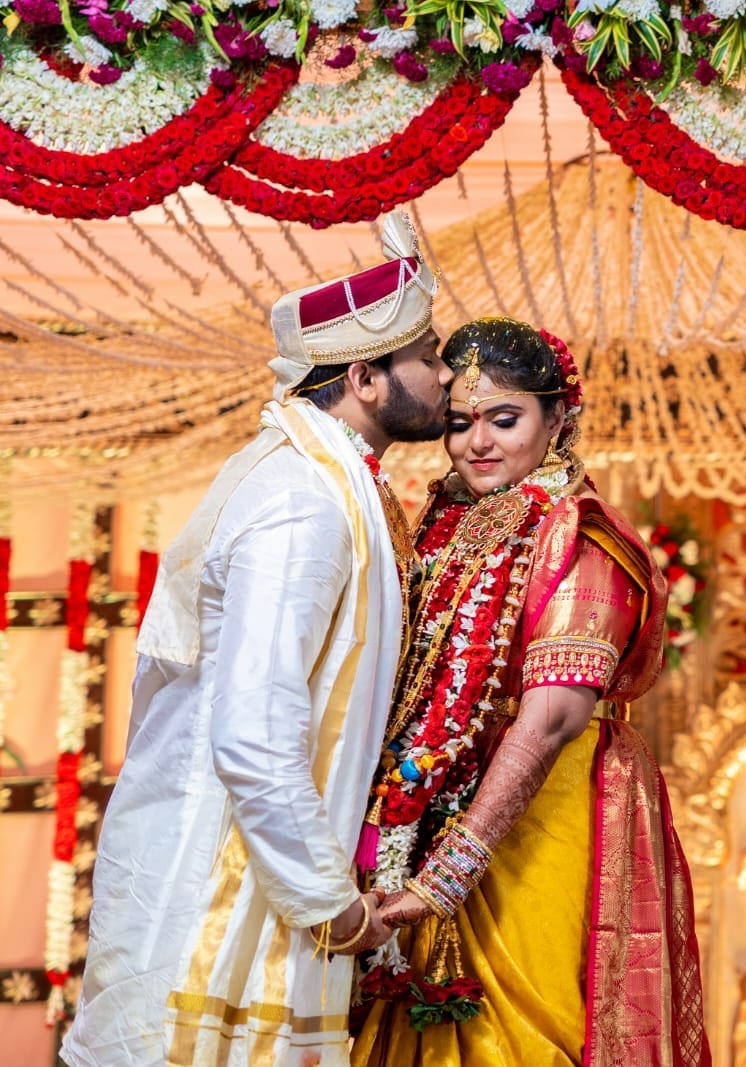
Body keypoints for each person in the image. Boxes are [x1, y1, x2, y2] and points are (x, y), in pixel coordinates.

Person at [63, 213, 453, 1067]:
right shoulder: (302, 504)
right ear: (365, 377)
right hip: (216, 891)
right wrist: (333, 905)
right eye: (426, 354)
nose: (445, 372)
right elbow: (255, 729)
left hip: (262, 876)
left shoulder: (330, 482)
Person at [351, 317, 709, 1067]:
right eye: (459, 423)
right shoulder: (450, 524)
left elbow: (549, 721)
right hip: (448, 800)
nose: (478, 442)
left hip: (551, 812)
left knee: (523, 1032)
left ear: (559, 419)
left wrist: (448, 874)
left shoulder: (581, 541)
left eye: (505, 419)